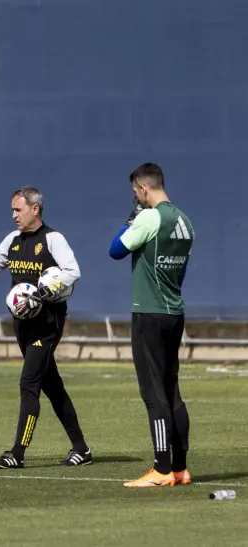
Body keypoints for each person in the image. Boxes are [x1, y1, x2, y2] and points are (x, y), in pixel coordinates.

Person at [0, 186, 92, 469]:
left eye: (18, 209)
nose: (14, 215)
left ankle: (17, 454)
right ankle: (81, 448)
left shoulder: (52, 239)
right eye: (12, 210)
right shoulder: (13, 240)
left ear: (35, 209)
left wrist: (47, 292)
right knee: (53, 386)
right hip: (22, 325)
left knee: (28, 384)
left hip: (47, 323)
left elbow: (73, 272)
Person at [109, 162, 194, 488]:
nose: (137, 198)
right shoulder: (185, 220)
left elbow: (115, 250)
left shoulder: (148, 217)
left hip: (148, 312)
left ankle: (160, 468)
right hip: (174, 312)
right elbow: (180, 274)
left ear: (144, 188)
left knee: (153, 393)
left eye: (136, 193)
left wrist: (130, 219)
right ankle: (180, 469)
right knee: (172, 391)